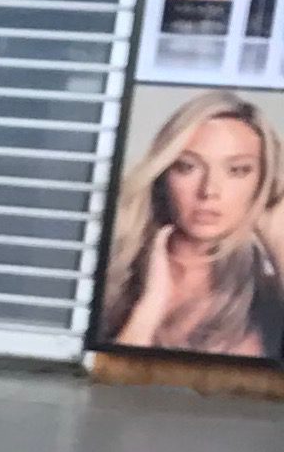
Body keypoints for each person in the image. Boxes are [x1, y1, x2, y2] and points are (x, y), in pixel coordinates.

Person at [97, 95, 284, 359]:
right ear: (162, 174)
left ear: (262, 182)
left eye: (238, 170)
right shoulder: (109, 272)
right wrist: (150, 307)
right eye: (187, 167)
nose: (209, 191)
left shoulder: (269, 293)